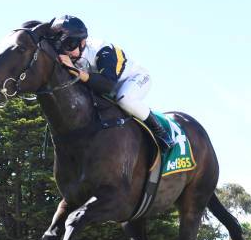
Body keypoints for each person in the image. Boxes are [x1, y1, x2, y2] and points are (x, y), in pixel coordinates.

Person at [49, 15, 174, 153]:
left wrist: (74, 70)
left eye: (69, 45)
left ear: (83, 42)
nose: (65, 52)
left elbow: (106, 85)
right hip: (106, 86)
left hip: (133, 79)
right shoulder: (72, 52)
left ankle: (161, 132)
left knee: (125, 99)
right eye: (60, 46)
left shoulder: (103, 50)